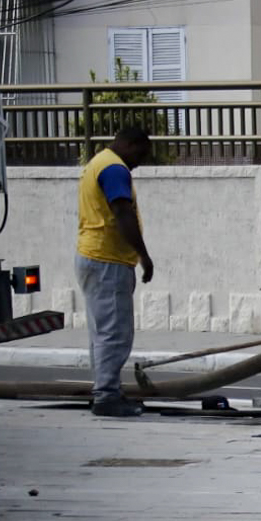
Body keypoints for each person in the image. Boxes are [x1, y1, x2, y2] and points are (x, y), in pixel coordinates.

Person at [76, 125, 155, 418]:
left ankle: (105, 389)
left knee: (101, 332)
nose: (139, 163)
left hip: (92, 256)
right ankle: (107, 397)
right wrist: (144, 256)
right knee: (114, 333)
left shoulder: (98, 162)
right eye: (141, 156)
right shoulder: (114, 169)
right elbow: (122, 212)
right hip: (107, 260)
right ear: (132, 145)